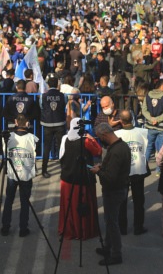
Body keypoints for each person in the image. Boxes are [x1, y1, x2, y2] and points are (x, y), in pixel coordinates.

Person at [91, 123, 131, 266]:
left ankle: (116, 254)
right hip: (120, 188)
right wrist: (103, 166)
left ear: (104, 135)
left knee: (112, 223)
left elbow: (110, 177)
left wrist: (98, 172)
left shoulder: (115, 151)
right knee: (110, 221)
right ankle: (108, 246)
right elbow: (115, 167)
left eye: (100, 137)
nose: (100, 139)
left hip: (114, 191)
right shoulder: (122, 146)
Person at [58, 119, 102, 240]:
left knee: (68, 205)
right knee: (83, 205)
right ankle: (83, 231)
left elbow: (61, 156)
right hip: (83, 180)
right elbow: (99, 151)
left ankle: (69, 229)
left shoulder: (64, 139)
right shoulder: (86, 140)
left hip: (67, 178)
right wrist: (92, 138)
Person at [1, 114, 39, 237]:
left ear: (16, 122)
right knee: (24, 201)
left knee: (9, 200)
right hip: (26, 173)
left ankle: (5, 227)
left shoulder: (8, 137)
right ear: (27, 123)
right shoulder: (32, 138)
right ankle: (23, 228)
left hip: (12, 172)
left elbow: (4, 152)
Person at [114, 109, 149, 236]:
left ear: (121, 121)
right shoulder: (143, 132)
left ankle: (123, 228)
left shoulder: (117, 134)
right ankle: (138, 227)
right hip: (138, 169)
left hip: (123, 171)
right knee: (139, 201)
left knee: (122, 201)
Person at [40, 75, 67, 178]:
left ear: (48, 85)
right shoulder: (63, 95)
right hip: (60, 123)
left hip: (47, 124)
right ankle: (64, 169)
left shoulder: (43, 96)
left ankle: (44, 170)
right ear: (57, 85)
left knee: (47, 147)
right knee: (61, 147)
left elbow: (42, 107)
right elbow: (64, 105)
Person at [142, 78, 163, 166]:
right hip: (162, 126)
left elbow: (144, 110)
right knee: (161, 149)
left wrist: (151, 119)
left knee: (148, 147)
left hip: (150, 125)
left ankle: (144, 166)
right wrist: (157, 119)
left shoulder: (148, 95)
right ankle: (159, 169)